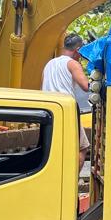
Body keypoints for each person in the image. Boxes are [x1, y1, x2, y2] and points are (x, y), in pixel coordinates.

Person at [41, 34, 93, 169]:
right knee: (82, 147)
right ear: (78, 50)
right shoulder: (73, 64)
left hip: (48, 113)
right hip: (66, 112)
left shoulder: (49, 64)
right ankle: (72, 180)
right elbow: (86, 86)